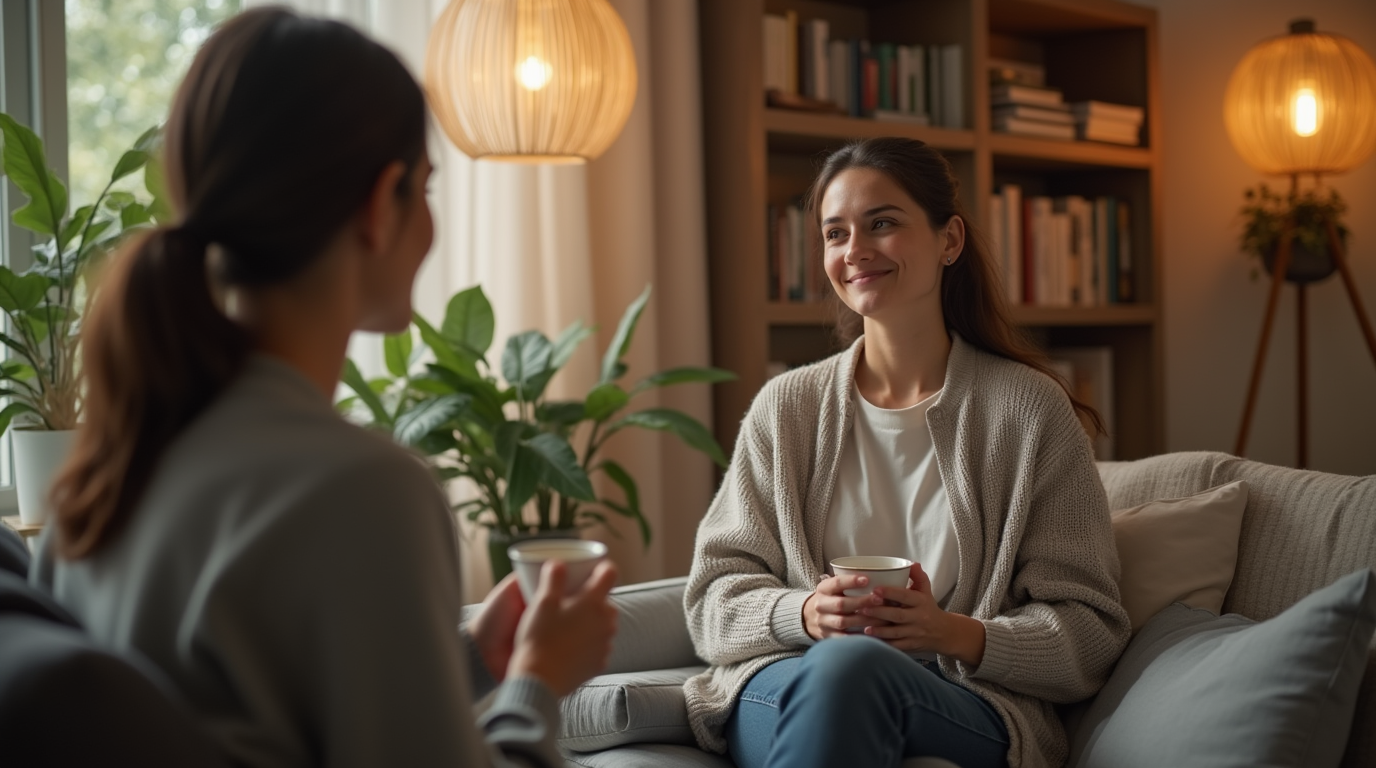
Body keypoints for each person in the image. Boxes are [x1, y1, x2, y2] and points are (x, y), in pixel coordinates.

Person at [30, 8, 617, 767]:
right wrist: (539, 681)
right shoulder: (363, 491)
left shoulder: (98, 480)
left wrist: (467, 661)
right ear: (382, 203)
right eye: (427, 186)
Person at [683, 137, 1131, 768]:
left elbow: (1091, 632)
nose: (855, 251)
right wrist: (806, 613)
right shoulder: (785, 409)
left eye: (883, 224)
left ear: (949, 240)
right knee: (842, 670)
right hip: (792, 683)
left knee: (853, 670)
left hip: (962, 699)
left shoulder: (1029, 413)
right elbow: (712, 598)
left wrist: (953, 633)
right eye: (835, 234)